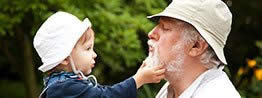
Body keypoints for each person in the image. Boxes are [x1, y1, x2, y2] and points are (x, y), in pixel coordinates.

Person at [33, 11, 166, 98]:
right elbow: (106, 96)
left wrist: (138, 76)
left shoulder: (66, 85)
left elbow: (103, 92)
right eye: (88, 48)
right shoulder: (66, 89)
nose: (94, 54)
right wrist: (138, 79)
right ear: (64, 58)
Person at [144, 0, 241, 98]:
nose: (151, 33)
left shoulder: (216, 94)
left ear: (196, 46)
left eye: (165, 28)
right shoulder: (172, 89)